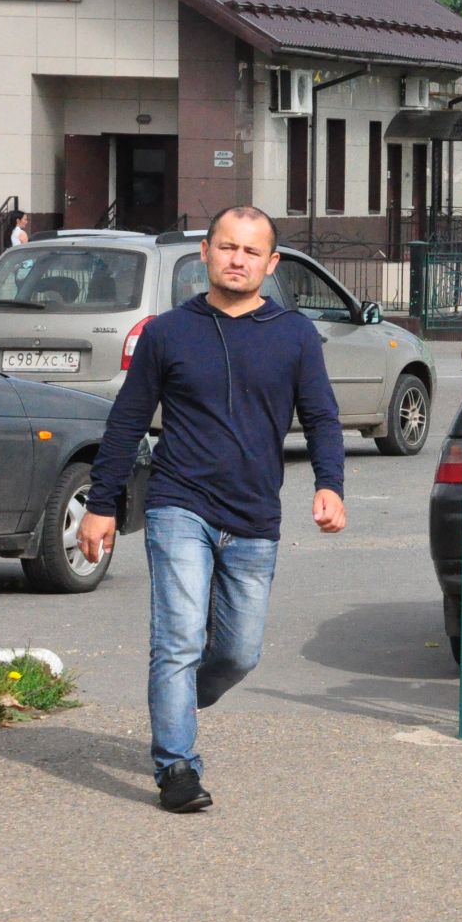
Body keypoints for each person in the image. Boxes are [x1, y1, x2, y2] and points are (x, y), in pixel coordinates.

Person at [77, 206, 346, 813]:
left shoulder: (295, 334)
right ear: (206, 252)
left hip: (254, 514)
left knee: (237, 653)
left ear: (271, 264)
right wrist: (102, 504)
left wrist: (331, 484)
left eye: (251, 252)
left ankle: (175, 700)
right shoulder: (168, 332)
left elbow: (323, 417)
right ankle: (176, 767)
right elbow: (126, 420)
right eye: (227, 247)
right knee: (176, 640)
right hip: (179, 503)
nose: (237, 260)